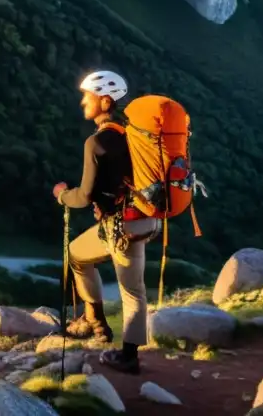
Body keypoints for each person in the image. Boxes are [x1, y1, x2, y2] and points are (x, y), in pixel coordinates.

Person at [52, 70, 160, 375]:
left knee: (129, 291)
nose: (83, 101)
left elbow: (84, 197)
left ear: (104, 100)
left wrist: (62, 195)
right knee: (85, 258)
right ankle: (98, 326)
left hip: (121, 227)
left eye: (88, 96)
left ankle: (119, 348)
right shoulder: (136, 133)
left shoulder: (97, 142)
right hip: (146, 219)